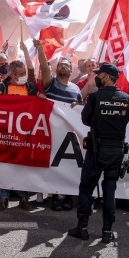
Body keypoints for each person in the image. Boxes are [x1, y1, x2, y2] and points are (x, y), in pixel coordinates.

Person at [68, 63, 129, 244]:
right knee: (110, 189)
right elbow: (125, 121)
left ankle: (83, 227)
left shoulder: (95, 98)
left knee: (87, 187)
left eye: (99, 74)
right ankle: (107, 231)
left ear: (106, 77)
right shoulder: (126, 98)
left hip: (97, 149)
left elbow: (86, 119)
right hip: (116, 150)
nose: (96, 77)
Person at [0, 47, 45, 210]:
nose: (23, 77)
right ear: (12, 75)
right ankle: (4, 198)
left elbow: (38, 105)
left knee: (23, 167)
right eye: (20, 74)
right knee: (4, 166)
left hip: (24, 135)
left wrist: (40, 99)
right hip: (5, 134)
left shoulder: (31, 88)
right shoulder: (1, 87)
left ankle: (23, 198)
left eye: (24, 74)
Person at [36, 39, 82, 211]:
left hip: (69, 135)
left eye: (66, 65)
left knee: (69, 165)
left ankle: (68, 196)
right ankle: (55, 197)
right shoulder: (51, 83)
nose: (63, 66)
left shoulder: (76, 89)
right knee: (54, 165)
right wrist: (41, 50)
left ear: (71, 71)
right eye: (61, 64)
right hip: (52, 132)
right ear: (56, 70)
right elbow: (44, 67)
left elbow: (78, 110)